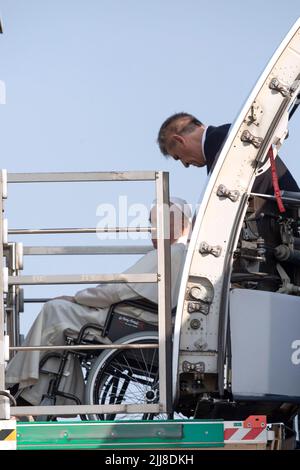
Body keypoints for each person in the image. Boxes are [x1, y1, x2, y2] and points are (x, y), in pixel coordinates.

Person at [5, 198, 191, 406]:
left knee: (55, 309)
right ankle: (32, 397)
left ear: (181, 224)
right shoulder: (183, 254)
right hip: (136, 320)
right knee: (60, 330)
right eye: (152, 222)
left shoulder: (170, 253)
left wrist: (77, 297)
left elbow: (117, 290)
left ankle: (13, 381)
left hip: (126, 322)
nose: (153, 229)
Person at [157, 112, 299, 194]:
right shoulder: (226, 134)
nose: (185, 164)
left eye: (178, 157)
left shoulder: (218, 142)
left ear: (180, 140)